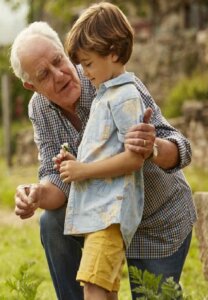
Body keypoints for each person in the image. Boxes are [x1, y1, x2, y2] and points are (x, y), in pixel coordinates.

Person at [10, 18, 196, 300]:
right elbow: (56, 179)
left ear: (65, 51)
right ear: (31, 85)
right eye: (44, 75)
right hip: (103, 222)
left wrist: (152, 145)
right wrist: (35, 195)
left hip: (156, 220)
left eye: (59, 61)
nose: (59, 75)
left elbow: (181, 147)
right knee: (51, 221)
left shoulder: (109, 77)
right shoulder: (40, 109)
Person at [52, 3, 146, 299]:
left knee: (94, 287)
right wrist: (75, 163)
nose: (84, 72)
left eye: (89, 64)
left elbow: (134, 158)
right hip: (100, 213)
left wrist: (84, 171)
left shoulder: (125, 96)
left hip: (111, 214)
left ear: (114, 53)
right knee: (101, 288)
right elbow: (108, 151)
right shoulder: (105, 95)